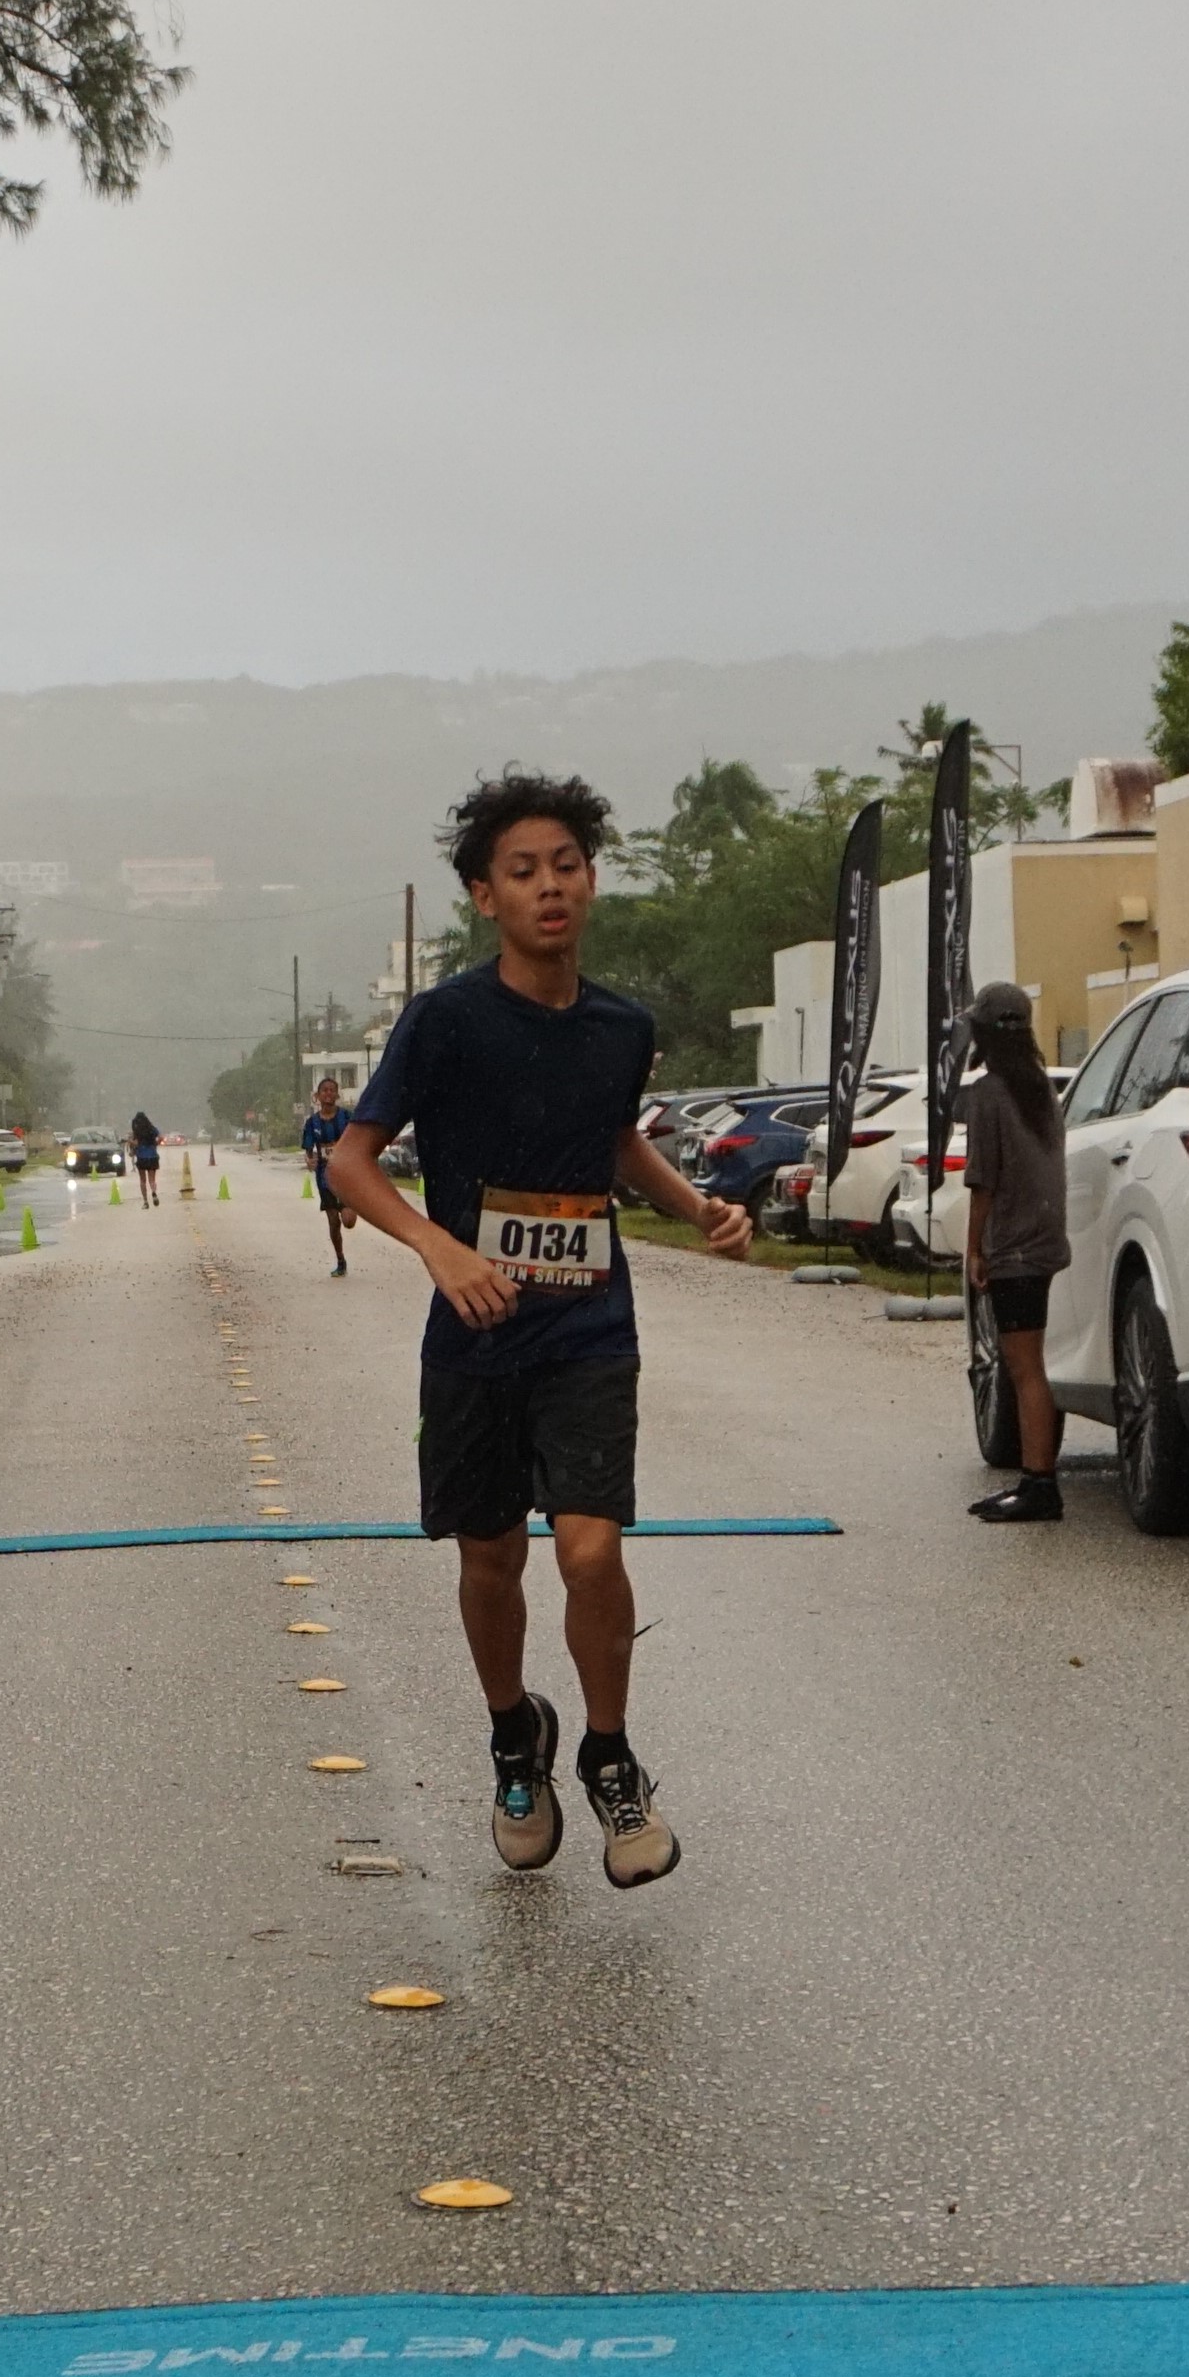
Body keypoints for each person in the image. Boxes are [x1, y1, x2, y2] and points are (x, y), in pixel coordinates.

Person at [328, 772, 752, 1890]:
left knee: (590, 1547)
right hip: (473, 1336)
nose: (548, 887)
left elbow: (614, 1142)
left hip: (588, 1328)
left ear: (590, 881)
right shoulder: (444, 1021)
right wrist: (440, 1248)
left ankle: (609, 1757)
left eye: (565, 865)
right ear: (485, 897)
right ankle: (515, 1737)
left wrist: (698, 1208)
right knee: (489, 1556)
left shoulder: (621, 1027)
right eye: (522, 872)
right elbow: (350, 1163)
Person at [960, 980, 1071, 1523]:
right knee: (1030, 1364)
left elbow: (982, 1179)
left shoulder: (988, 1093)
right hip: (1046, 1240)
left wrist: (974, 1249)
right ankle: (1034, 1477)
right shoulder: (1042, 1090)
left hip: (1013, 1246)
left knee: (1025, 1368)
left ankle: (1039, 1484)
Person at [301, 1077, 353, 1273]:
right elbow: (308, 1151)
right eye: (325, 1090)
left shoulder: (347, 1117)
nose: (328, 1093)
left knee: (348, 1221)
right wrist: (309, 1161)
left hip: (346, 1173)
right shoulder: (312, 1123)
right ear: (318, 1096)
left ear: (337, 1094)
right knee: (333, 1220)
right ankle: (340, 1260)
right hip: (325, 1175)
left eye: (332, 1090)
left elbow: (358, 1141)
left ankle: (353, 1206)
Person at [129, 1109, 163, 1208]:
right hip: (152, 1156)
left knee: (142, 1180)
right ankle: (154, 1192)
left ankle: (145, 1202)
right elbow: (161, 1137)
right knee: (152, 1179)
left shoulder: (137, 1131)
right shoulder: (152, 1129)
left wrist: (130, 1142)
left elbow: (136, 1144)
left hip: (142, 1158)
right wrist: (155, 1144)